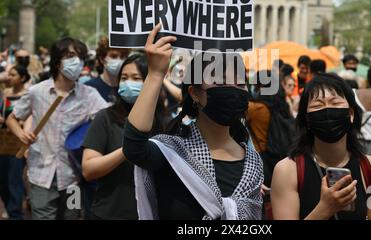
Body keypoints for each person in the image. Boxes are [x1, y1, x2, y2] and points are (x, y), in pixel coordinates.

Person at [123, 25, 264, 220]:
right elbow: (134, 146)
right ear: (195, 93)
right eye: (220, 82)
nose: (232, 90)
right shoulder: (173, 155)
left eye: (240, 84)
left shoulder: (253, 164)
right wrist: (155, 74)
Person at [270, 73, 371, 220]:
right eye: (318, 105)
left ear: (351, 113)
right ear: (306, 119)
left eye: (335, 102)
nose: (327, 110)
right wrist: (325, 209)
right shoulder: (288, 171)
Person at [6, 37, 108, 220]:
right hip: (40, 177)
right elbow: (12, 118)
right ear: (57, 60)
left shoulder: (89, 95)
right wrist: (22, 134)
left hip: (74, 181)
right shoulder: (36, 92)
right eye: (70, 55)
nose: (76, 60)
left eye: (80, 56)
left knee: (72, 216)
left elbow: (110, 119)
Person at [82, 54, 168, 220]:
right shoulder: (106, 117)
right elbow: (89, 170)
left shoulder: (165, 123)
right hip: (110, 213)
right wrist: (130, 148)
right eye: (124, 78)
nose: (129, 83)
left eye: (136, 78)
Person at [0, 65, 31, 219]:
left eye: (13, 75)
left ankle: (16, 213)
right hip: (3, 142)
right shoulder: (4, 94)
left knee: (15, 181)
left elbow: (29, 118)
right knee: (3, 181)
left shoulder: (29, 94)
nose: (9, 77)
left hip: (18, 143)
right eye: (9, 75)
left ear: (23, 77)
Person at [85, 37, 130, 103]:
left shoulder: (129, 88)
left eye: (122, 57)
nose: (119, 60)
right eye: (114, 56)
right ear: (102, 59)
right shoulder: (88, 88)